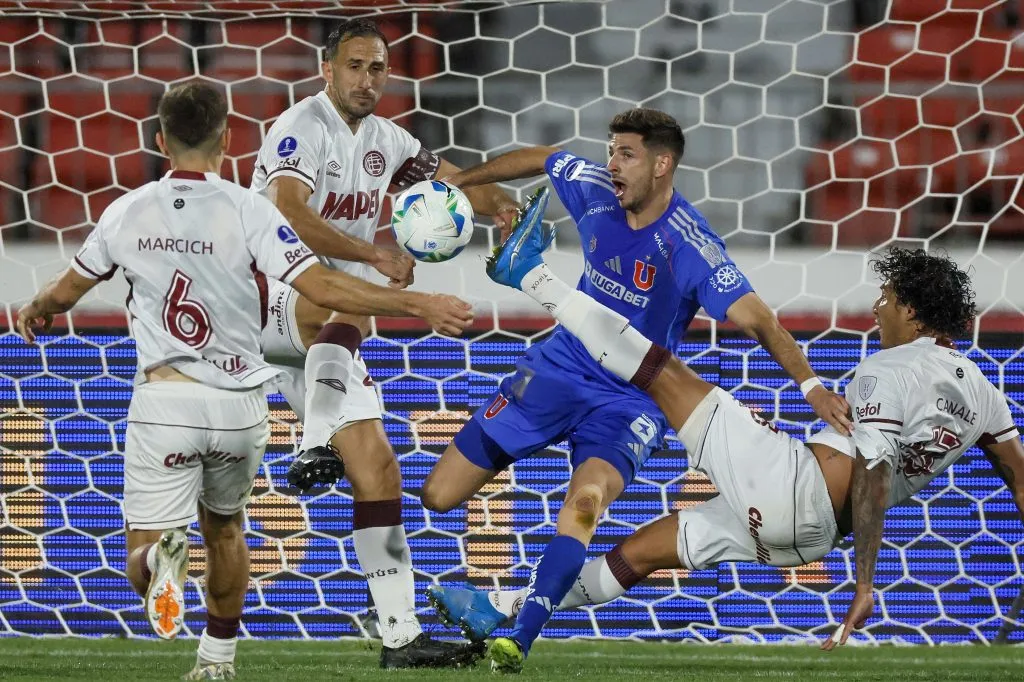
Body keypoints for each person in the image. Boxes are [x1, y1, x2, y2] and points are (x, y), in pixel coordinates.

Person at [14, 81, 477, 680]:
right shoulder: (248, 207)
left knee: (142, 554)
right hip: (241, 407)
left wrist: (38, 307)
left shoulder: (126, 211)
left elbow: (68, 289)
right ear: (228, 140)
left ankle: (163, 557)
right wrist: (416, 303)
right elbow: (324, 288)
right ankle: (217, 659)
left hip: (166, 401)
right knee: (228, 531)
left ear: (158, 140)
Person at [472, 215, 1024, 672]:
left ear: (911, 312)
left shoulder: (889, 368)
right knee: (637, 555)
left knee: (660, 371)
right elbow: (1020, 480)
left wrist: (864, 584)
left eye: (886, 297)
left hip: (793, 488)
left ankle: (532, 276)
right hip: (811, 540)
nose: (877, 309)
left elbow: (873, 467)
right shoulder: (985, 395)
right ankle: (502, 611)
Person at [422, 108, 852, 658]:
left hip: (629, 400)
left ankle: (518, 636)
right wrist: (462, 181)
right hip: (559, 368)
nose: (612, 164)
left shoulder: (688, 244)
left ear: (662, 164)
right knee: (438, 495)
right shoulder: (598, 190)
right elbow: (541, 158)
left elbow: (758, 319)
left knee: (585, 501)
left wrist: (812, 386)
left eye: (626, 154)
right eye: (611, 151)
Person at [248, 18, 518, 666]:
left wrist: (503, 206)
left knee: (377, 469)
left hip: (332, 327)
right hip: (265, 302)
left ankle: (399, 636)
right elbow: (289, 213)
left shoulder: (388, 141)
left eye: (377, 69)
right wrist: (372, 251)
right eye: (355, 66)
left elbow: (453, 186)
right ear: (327, 69)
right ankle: (311, 441)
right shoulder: (299, 129)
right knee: (340, 298)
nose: (367, 80)